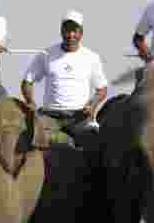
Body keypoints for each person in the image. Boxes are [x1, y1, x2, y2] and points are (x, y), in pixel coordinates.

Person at [20, 10, 108, 148]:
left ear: (81, 32)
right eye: (67, 30)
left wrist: (92, 105)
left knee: (95, 146)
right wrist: (30, 102)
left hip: (79, 116)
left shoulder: (91, 57)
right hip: (50, 115)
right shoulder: (46, 54)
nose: (71, 35)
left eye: (75, 31)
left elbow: (102, 89)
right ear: (61, 31)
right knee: (36, 143)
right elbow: (27, 81)